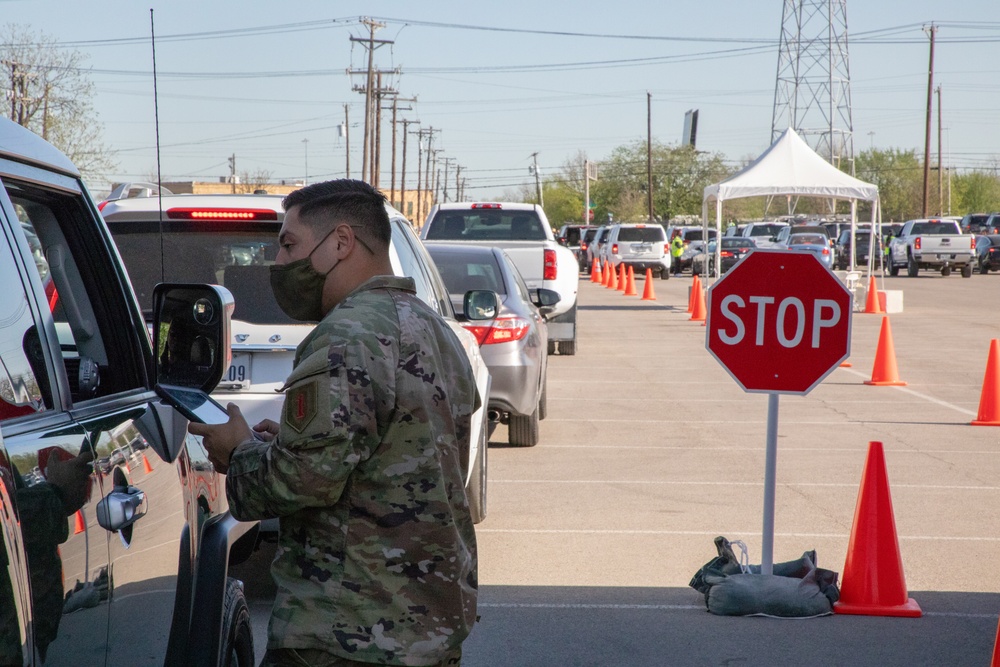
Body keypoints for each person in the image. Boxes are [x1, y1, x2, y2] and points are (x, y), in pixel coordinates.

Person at [191, 179, 479, 667]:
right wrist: (291, 443)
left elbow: (299, 481)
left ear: (342, 242)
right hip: (427, 633)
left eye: (289, 244)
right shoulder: (435, 330)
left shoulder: (345, 337)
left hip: (345, 636)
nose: (279, 264)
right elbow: (398, 457)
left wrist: (237, 451)